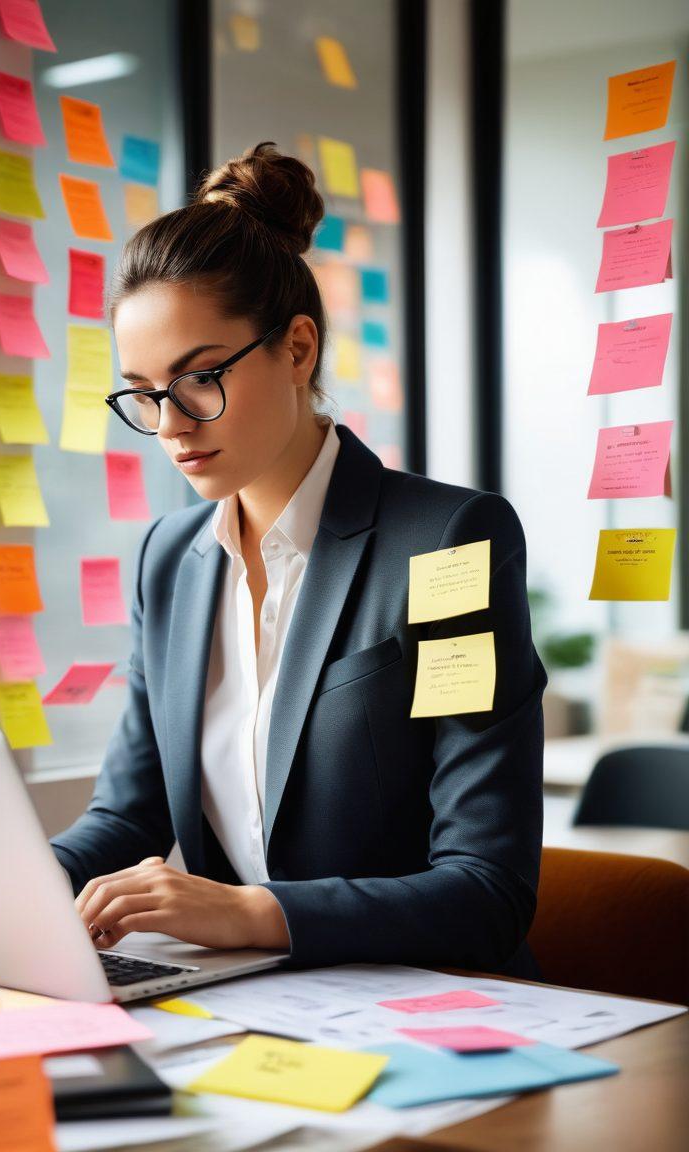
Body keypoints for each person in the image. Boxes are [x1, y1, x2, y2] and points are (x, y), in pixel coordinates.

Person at [50, 142, 547, 977]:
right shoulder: (167, 560)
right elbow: (125, 818)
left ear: (298, 349)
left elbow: (485, 889)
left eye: (199, 378)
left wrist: (250, 913)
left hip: (419, 1009)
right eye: (142, 391)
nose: (170, 423)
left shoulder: (448, 542)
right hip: (244, 1010)